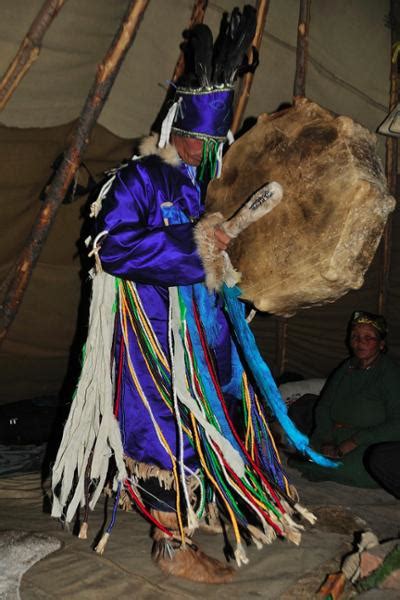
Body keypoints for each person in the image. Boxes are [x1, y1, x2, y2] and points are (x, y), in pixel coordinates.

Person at [51, 9, 332, 583]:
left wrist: (234, 274)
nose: (205, 148)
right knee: (164, 432)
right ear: (174, 123)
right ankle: (169, 546)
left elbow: (225, 259)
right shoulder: (137, 180)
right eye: (197, 136)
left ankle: (192, 509)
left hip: (210, 340)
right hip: (154, 340)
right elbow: (111, 248)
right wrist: (199, 240)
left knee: (214, 421)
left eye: (214, 140)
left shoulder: (213, 185)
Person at [289, 311, 400, 488]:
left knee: (354, 468)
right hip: (333, 436)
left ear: (381, 344)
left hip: (368, 442)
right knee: (305, 455)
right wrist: (327, 439)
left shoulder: (389, 374)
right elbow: (324, 406)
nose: (359, 342)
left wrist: (354, 441)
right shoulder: (347, 366)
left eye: (368, 337)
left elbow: (397, 423)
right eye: (355, 336)